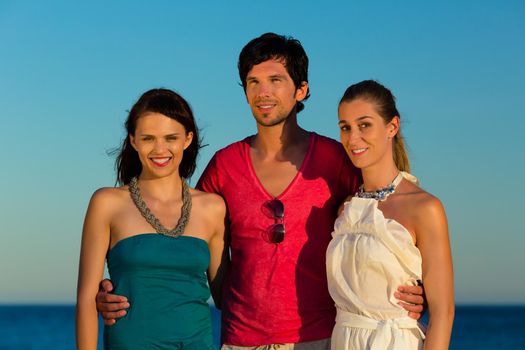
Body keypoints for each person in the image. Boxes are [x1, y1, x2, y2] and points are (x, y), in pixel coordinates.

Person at [96, 34, 426, 349]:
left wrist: (419, 285)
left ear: (301, 90)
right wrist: (119, 289)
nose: (263, 92)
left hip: (321, 339)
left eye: (275, 80)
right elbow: (181, 241)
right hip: (240, 340)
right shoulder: (224, 166)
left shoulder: (333, 159)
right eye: (253, 82)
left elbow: (388, 222)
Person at [76, 88, 227, 349]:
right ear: (133, 140)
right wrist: (101, 295)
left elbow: (227, 297)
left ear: (187, 139)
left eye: (171, 137)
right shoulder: (106, 203)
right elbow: (86, 301)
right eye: (148, 138)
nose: (160, 149)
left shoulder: (212, 208)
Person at [326, 80, 454, 349]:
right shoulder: (345, 210)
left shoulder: (424, 208)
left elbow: (443, 313)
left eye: (364, 125)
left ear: (392, 127)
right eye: (345, 127)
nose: (352, 138)